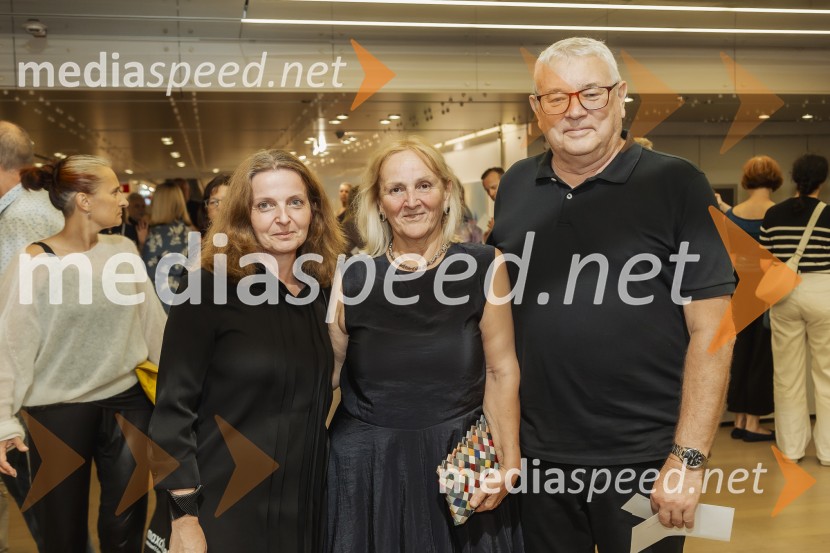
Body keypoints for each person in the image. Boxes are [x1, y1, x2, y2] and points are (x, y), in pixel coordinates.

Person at [487, 37, 734, 553]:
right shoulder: (515, 185)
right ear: (537, 110)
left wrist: (687, 460)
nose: (575, 112)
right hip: (538, 464)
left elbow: (713, 330)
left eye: (591, 94)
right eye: (556, 97)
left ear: (620, 96)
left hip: (646, 461)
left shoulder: (676, 183)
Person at [327, 137, 523, 552]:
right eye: (396, 189)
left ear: (446, 191)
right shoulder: (351, 278)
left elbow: (500, 370)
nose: (411, 201)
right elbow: (325, 375)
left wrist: (509, 461)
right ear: (379, 202)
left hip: (458, 461)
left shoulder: (486, 266)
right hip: (365, 467)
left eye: (424, 185)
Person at [148, 149, 344, 553]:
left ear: (314, 211)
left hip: (305, 501)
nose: (283, 217)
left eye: (295, 202)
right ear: (243, 216)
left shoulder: (320, 291)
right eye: (265, 205)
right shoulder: (207, 289)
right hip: (224, 501)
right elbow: (172, 411)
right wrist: (184, 519)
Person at [0, 155, 167, 553]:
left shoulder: (123, 250)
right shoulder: (35, 263)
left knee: (124, 529)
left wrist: (184, 388)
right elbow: (11, 346)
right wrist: (4, 420)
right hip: (56, 411)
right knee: (63, 535)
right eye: (114, 191)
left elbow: (154, 325)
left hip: (127, 403)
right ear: (84, 201)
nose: (123, 199)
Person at [0, 121, 63, 553]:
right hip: (27, 388)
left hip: (26, 393)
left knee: (46, 514)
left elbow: (22, 313)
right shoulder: (31, 207)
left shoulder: (25, 217)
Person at [761, 153, 830, 465]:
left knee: (787, 375)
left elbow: (764, 260)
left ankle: (791, 449)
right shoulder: (828, 215)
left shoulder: (774, 214)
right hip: (823, 292)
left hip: (784, 293)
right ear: (823, 181)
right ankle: (828, 451)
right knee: (827, 375)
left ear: (793, 178)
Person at [726, 155, 782, 442]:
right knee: (762, 359)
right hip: (766, 294)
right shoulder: (778, 213)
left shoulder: (732, 214)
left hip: (736, 292)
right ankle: (753, 423)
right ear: (775, 179)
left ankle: (738, 420)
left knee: (739, 357)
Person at [142, 182, 196, 310]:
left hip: (160, 303)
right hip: (188, 301)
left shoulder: (155, 235)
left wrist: (142, 244)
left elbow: (147, 273)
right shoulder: (191, 232)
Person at [481, 167, 503, 243]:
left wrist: (497, 228)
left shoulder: (518, 206)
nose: (491, 193)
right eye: (487, 190)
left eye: (493, 187)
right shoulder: (499, 210)